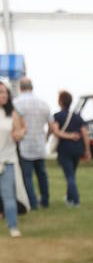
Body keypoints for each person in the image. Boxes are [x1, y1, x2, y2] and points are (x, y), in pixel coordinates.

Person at [13, 77, 51, 208]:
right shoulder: (43, 102)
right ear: (32, 87)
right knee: (42, 174)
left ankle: (33, 202)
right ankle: (45, 201)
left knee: (27, 176)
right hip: (40, 143)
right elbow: (51, 125)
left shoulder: (16, 103)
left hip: (25, 145)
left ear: (20, 87)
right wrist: (46, 137)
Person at [50, 91, 90, 207]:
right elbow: (85, 133)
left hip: (65, 149)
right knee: (72, 174)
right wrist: (87, 149)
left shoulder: (57, 116)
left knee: (69, 176)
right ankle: (69, 197)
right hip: (77, 149)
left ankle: (75, 201)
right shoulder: (77, 116)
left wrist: (69, 136)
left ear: (60, 101)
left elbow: (56, 131)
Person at [0, 81, 26, 238]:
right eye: (0, 92)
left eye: (4, 92)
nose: (3, 95)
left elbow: (19, 131)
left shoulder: (13, 113)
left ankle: (13, 225)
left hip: (7, 160)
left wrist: (19, 134)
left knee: (8, 194)